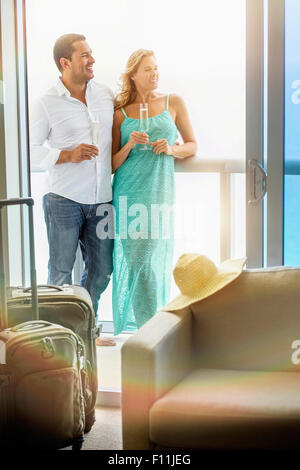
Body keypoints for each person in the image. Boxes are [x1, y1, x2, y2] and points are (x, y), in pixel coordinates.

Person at [30, 33, 115, 346]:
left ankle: (85, 331)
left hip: (102, 197)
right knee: (60, 273)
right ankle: (60, 341)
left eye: (91, 53)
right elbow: (30, 148)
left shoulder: (106, 95)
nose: (91, 60)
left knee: (103, 269)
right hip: (63, 199)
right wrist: (67, 155)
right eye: (84, 55)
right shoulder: (45, 103)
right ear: (65, 63)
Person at [111, 49, 197, 335]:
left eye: (156, 68)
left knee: (150, 258)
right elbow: (111, 163)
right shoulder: (119, 113)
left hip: (159, 191)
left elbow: (192, 145)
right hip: (127, 193)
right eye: (148, 69)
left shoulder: (173, 102)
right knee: (137, 261)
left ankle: (150, 329)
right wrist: (129, 145)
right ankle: (147, 330)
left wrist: (171, 149)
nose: (154, 74)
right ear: (133, 75)